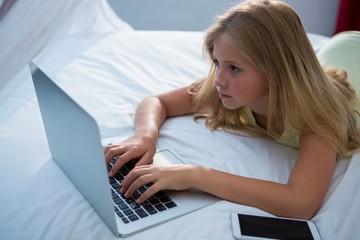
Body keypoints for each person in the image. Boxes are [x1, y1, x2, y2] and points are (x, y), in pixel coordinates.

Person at [104, 0, 360, 220]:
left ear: (276, 71)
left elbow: (301, 203)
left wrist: (195, 175)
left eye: (234, 68)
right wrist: (144, 135)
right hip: (337, 50)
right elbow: (156, 102)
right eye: (217, 63)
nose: (218, 80)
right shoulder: (229, 89)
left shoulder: (317, 112)